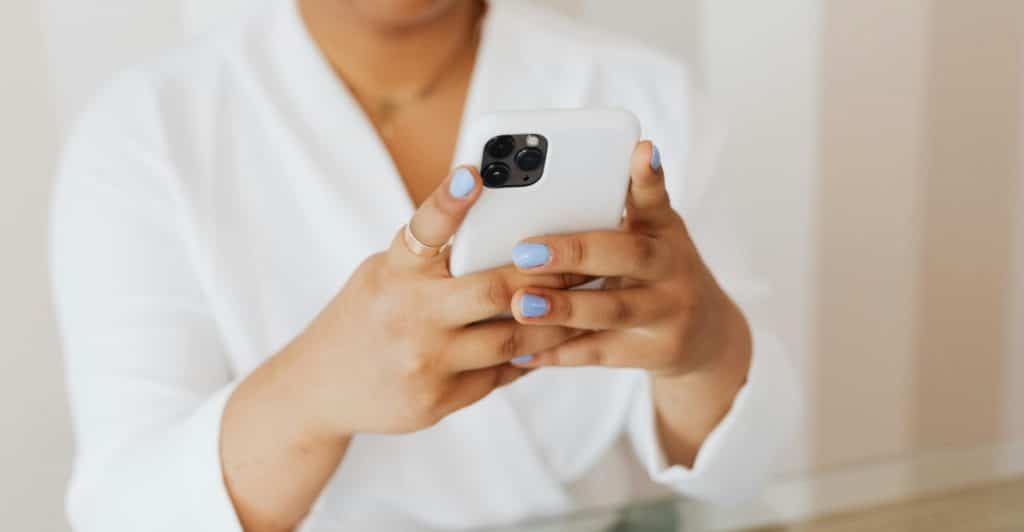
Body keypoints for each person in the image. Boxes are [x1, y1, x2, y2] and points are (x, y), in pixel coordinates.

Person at [50, 0, 798, 530]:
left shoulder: (640, 95)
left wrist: (704, 350)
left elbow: (745, 471)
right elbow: (123, 514)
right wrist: (310, 393)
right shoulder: (146, 131)